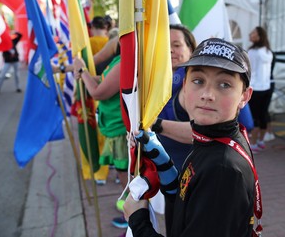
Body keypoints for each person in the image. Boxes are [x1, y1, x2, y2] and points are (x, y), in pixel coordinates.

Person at [124, 38, 261, 237]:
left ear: (244, 96)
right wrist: (163, 163)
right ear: (185, 86)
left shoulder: (223, 169)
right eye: (198, 81)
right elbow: (188, 198)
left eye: (224, 84)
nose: (207, 94)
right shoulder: (210, 138)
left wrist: (138, 221)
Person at [73, 39, 129, 230]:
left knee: (126, 177)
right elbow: (104, 81)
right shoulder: (119, 59)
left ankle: (133, 217)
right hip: (114, 126)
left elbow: (98, 93)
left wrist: (82, 71)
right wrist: (86, 74)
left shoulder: (125, 62)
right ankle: (131, 212)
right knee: (124, 175)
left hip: (120, 128)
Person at [247, 26, 274, 152]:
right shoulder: (268, 52)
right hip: (267, 87)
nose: (250, 34)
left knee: (254, 117)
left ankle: (252, 145)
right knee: (263, 115)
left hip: (255, 88)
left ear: (259, 36)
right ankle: (260, 141)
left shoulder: (253, 52)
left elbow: (248, 70)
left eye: (253, 33)